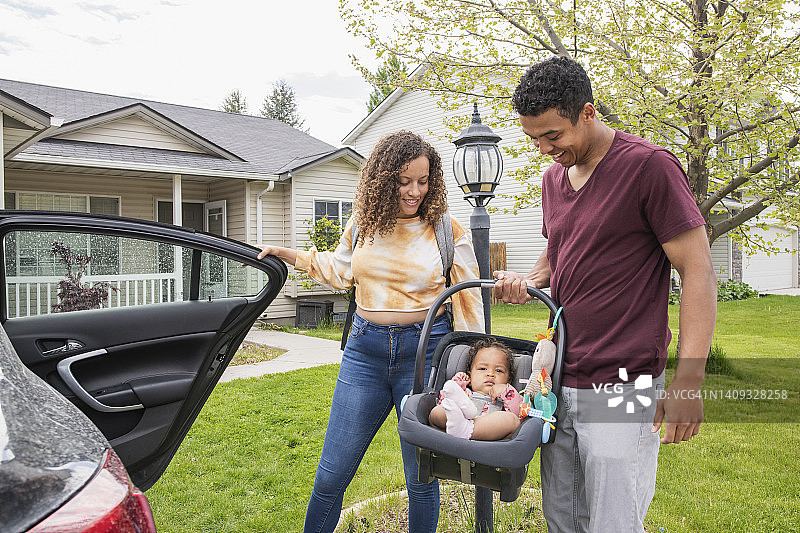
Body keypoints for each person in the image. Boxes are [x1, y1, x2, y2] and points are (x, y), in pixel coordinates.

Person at [493, 56, 717, 533]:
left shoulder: (648, 168)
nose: (544, 149)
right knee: (562, 519)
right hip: (557, 381)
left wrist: (688, 383)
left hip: (622, 383)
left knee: (613, 523)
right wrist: (529, 282)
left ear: (589, 113)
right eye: (534, 138)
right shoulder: (553, 179)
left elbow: (697, 271)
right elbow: (559, 255)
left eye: (553, 136)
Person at [257, 130, 484, 533]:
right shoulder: (365, 224)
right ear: (384, 178)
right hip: (365, 355)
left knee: (421, 478)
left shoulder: (448, 232)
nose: (414, 191)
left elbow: (467, 303)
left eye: (423, 180)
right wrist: (291, 255)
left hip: (425, 356)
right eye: (404, 181)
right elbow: (342, 270)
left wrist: (477, 367)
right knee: (331, 476)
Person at [429, 337, 523, 440]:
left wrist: (507, 391)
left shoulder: (506, 397)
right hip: (457, 422)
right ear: (470, 375)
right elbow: (444, 400)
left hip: (490, 435)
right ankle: (461, 427)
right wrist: (457, 383)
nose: (490, 374)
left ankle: (466, 430)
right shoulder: (463, 392)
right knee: (437, 412)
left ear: (508, 379)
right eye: (482, 369)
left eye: (499, 371)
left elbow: (519, 413)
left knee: (512, 420)